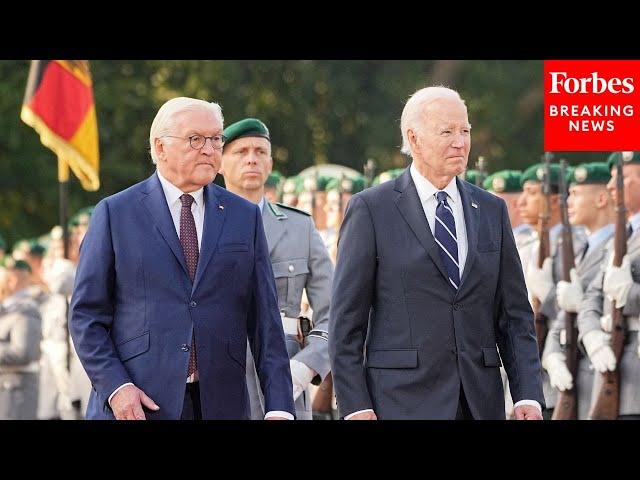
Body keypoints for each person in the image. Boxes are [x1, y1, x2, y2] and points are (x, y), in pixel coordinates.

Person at [69, 97, 294, 420]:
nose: (209, 149)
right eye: (195, 139)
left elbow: (266, 324)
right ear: (160, 148)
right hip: (139, 404)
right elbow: (86, 318)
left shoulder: (243, 216)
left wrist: (279, 407)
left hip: (221, 405)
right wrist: (116, 388)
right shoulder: (116, 214)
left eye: (216, 139)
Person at [329, 86, 544, 420]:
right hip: (399, 402)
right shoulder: (371, 209)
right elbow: (346, 323)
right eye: (447, 131)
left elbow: (514, 315)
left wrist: (527, 395)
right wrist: (356, 405)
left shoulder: (491, 210)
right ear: (413, 139)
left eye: (465, 131)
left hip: (480, 403)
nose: (460, 141)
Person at [220, 117, 333, 420]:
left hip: (287, 382)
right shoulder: (201, 227)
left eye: (260, 151)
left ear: (270, 163)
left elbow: (336, 312)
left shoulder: (300, 227)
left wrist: (306, 366)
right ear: (218, 162)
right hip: (219, 380)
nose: (252, 159)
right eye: (240, 152)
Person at [542, 162, 614, 419]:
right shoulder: (585, 248)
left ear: (601, 199)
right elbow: (563, 316)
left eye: (576, 194)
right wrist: (552, 356)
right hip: (578, 376)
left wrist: (550, 296)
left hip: (604, 372)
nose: (568, 202)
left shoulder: (611, 244)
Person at [578, 151, 640, 419]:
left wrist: (631, 294)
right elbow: (592, 295)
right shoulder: (622, 233)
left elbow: (623, 293)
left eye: (623, 178)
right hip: (613, 374)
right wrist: (591, 335)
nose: (612, 186)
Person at [0, 258, 42, 419]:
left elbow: (24, 352)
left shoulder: (26, 309)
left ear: (12, 280)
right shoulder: (8, 308)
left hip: (16, 392)